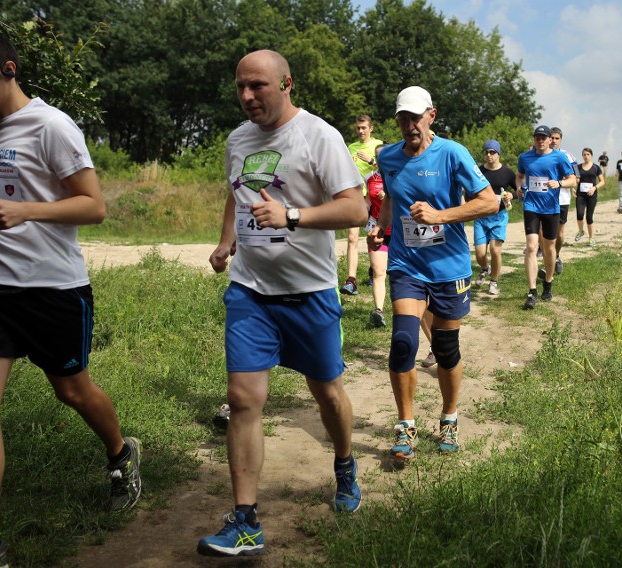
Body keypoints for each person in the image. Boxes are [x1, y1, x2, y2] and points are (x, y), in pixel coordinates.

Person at [199, 50, 368, 557]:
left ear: (286, 83)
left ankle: (344, 463)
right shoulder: (237, 139)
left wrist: (292, 215)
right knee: (244, 399)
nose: (248, 97)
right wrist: (227, 240)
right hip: (251, 291)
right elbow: (237, 192)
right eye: (240, 88)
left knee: (328, 394)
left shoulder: (320, 136)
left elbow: (355, 208)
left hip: (310, 292)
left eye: (258, 87)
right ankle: (245, 521)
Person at [0, 30, 141, 566]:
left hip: (52, 289)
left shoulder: (51, 126)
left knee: (72, 392)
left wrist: (26, 210)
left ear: (7, 68)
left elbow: (94, 207)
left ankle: (121, 452)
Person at [367, 86, 497, 464]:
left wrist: (441, 216)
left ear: (431, 116)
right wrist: (382, 225)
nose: (409, 125)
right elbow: (391, 196)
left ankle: (449, 417)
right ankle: (405, 425)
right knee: (404, 343)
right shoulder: (387, 156)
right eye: (402, 118)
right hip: (407, 264)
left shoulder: (452, 153)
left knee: (445, 348)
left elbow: (488, 201)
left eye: (415, 117)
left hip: (449, 267)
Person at [516, 125, 577, 309]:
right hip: (531, 206)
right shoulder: (525, 157)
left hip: (551, 208)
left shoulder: (559, 157)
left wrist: (558, 183)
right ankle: (532, 290)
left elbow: (572, 179)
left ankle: (548, 283)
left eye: (544, 138)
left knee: (549, 248)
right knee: (531, 247)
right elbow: (519, 176)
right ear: (534, 139)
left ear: (550, 139)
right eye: (537, 137)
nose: (540, 140)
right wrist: (519, 187)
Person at [341, 114, 383, 296]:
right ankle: (351, 281)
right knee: (352, 238)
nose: (360, 131)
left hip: (375, 198)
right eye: (358, 128)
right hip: (356, 197)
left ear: (371, 128)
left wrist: (372, 161)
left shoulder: (378, 145)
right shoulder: (351, 147)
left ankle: (375, 271)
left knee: (375, 237)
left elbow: (387, 169)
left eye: (364, 128)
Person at [474, 139, 516, 296]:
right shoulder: (478, 171)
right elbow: (471, 190)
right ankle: (485, 269)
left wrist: (513, 195)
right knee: (479, 254)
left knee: (495, 250)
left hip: (499, 217)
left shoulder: (507, 172)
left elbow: (519, 191)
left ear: (498, 154)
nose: (489, 155)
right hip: (481, 217)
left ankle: (494, 282)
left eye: (492, 152)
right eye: (486, 152)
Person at [549, 127, 578, 275]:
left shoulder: (569, 156)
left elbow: (576, 176)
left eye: (556, 138)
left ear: (560, 139)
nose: (553, 141)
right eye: (551, 138)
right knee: (544, 232)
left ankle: (557, 256)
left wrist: (569, 185)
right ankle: (548, 258)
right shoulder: (540, 154)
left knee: (559, 234)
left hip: (562, 199)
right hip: (543, 199)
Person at [366, 144, 389, 327]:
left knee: (399, 274)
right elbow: (367, 203)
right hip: (377, 230)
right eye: (377, 156)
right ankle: (379, 311)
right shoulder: (370, 178)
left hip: (399, 231)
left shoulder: (401, 175)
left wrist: (390, 195)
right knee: (379, 272)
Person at [574, 148, 605, 247]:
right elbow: (575, 180)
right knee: (579, 214)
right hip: (580, 194)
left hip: (592, 194)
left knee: (589, 217)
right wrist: (572, 187)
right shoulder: (577, 167)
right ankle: (581, 231)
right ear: (582, 156)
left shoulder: (596, 167)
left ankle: (591, 238)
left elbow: (602, 182)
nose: (586, 156)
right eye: (584, 154)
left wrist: (594, 188)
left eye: (588, 154)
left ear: (591, 155)